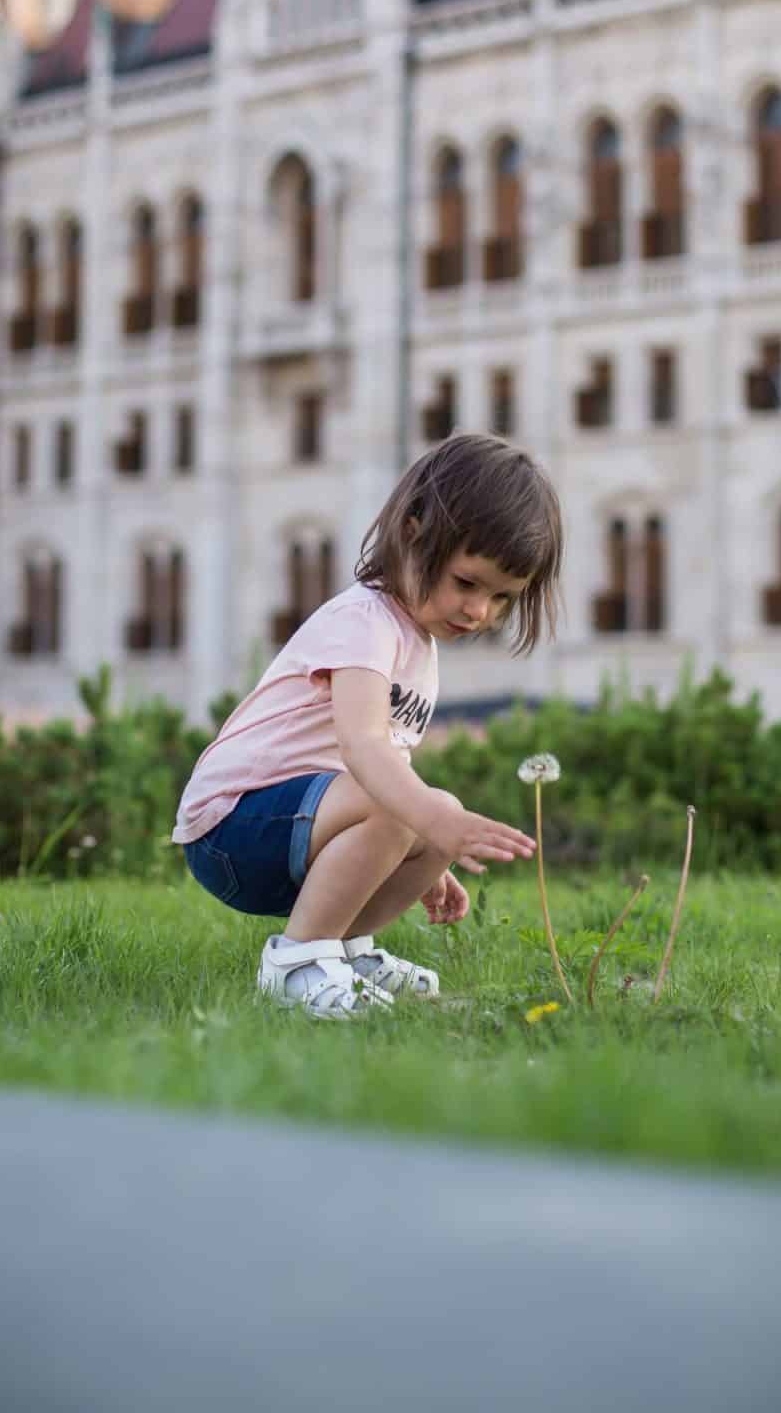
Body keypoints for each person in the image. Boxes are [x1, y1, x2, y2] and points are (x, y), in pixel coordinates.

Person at [171, 431, 564, 1019]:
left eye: (503, 598)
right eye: (466, 582)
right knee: (416, 806)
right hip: (232, 828)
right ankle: (297, 963)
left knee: (425, 809)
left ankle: (345, 954)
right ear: (413, 531)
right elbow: (363, 749)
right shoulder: (364, 620)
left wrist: (426, 854)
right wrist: (433, 819)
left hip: (301, 829)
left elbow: (389, 765)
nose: (479, 611)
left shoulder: (418, 645)